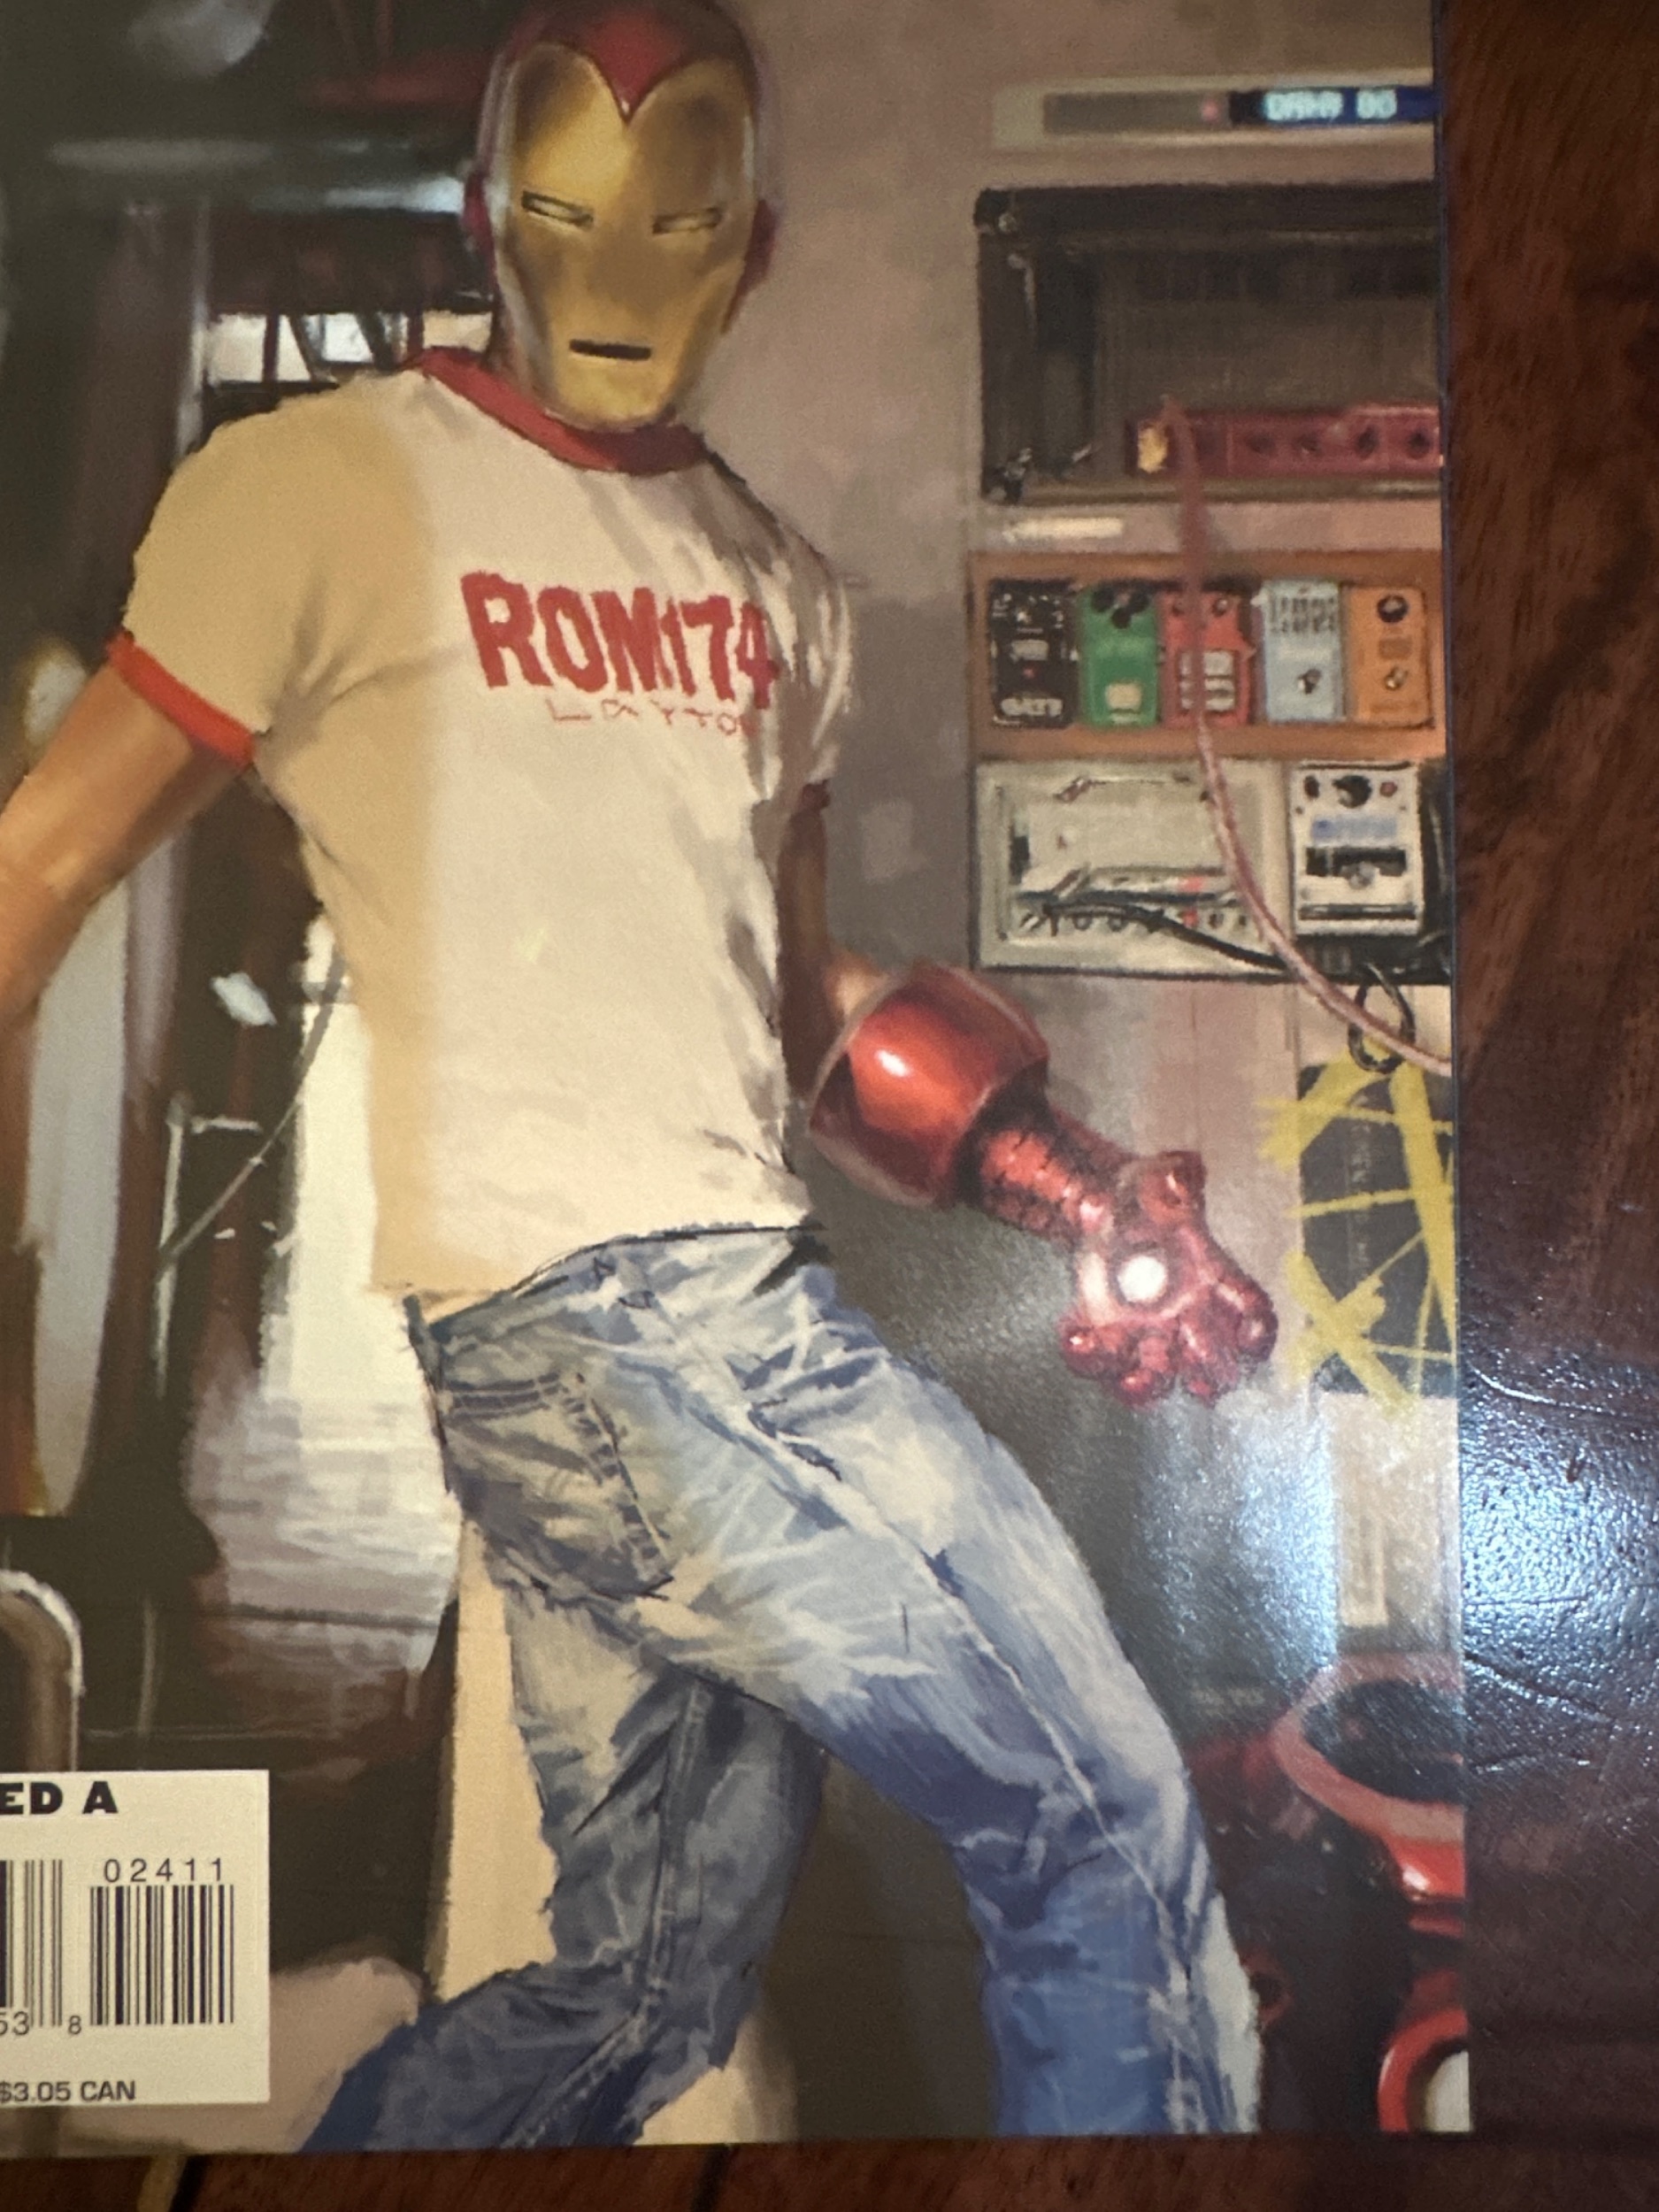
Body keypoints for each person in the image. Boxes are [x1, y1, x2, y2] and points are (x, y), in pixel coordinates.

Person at [0, 0, 1276, 2147]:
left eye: (674, 225)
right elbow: (33, 867)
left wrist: (1074, 1189)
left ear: (749, 245)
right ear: (486, 215)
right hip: (624, 1326)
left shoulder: (769, 578)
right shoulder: (320, 484)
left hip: (656, 1328)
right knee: (1098, 1823)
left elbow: (789, 1001)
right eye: (563, 214)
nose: (612, 275)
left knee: (636, 1990)